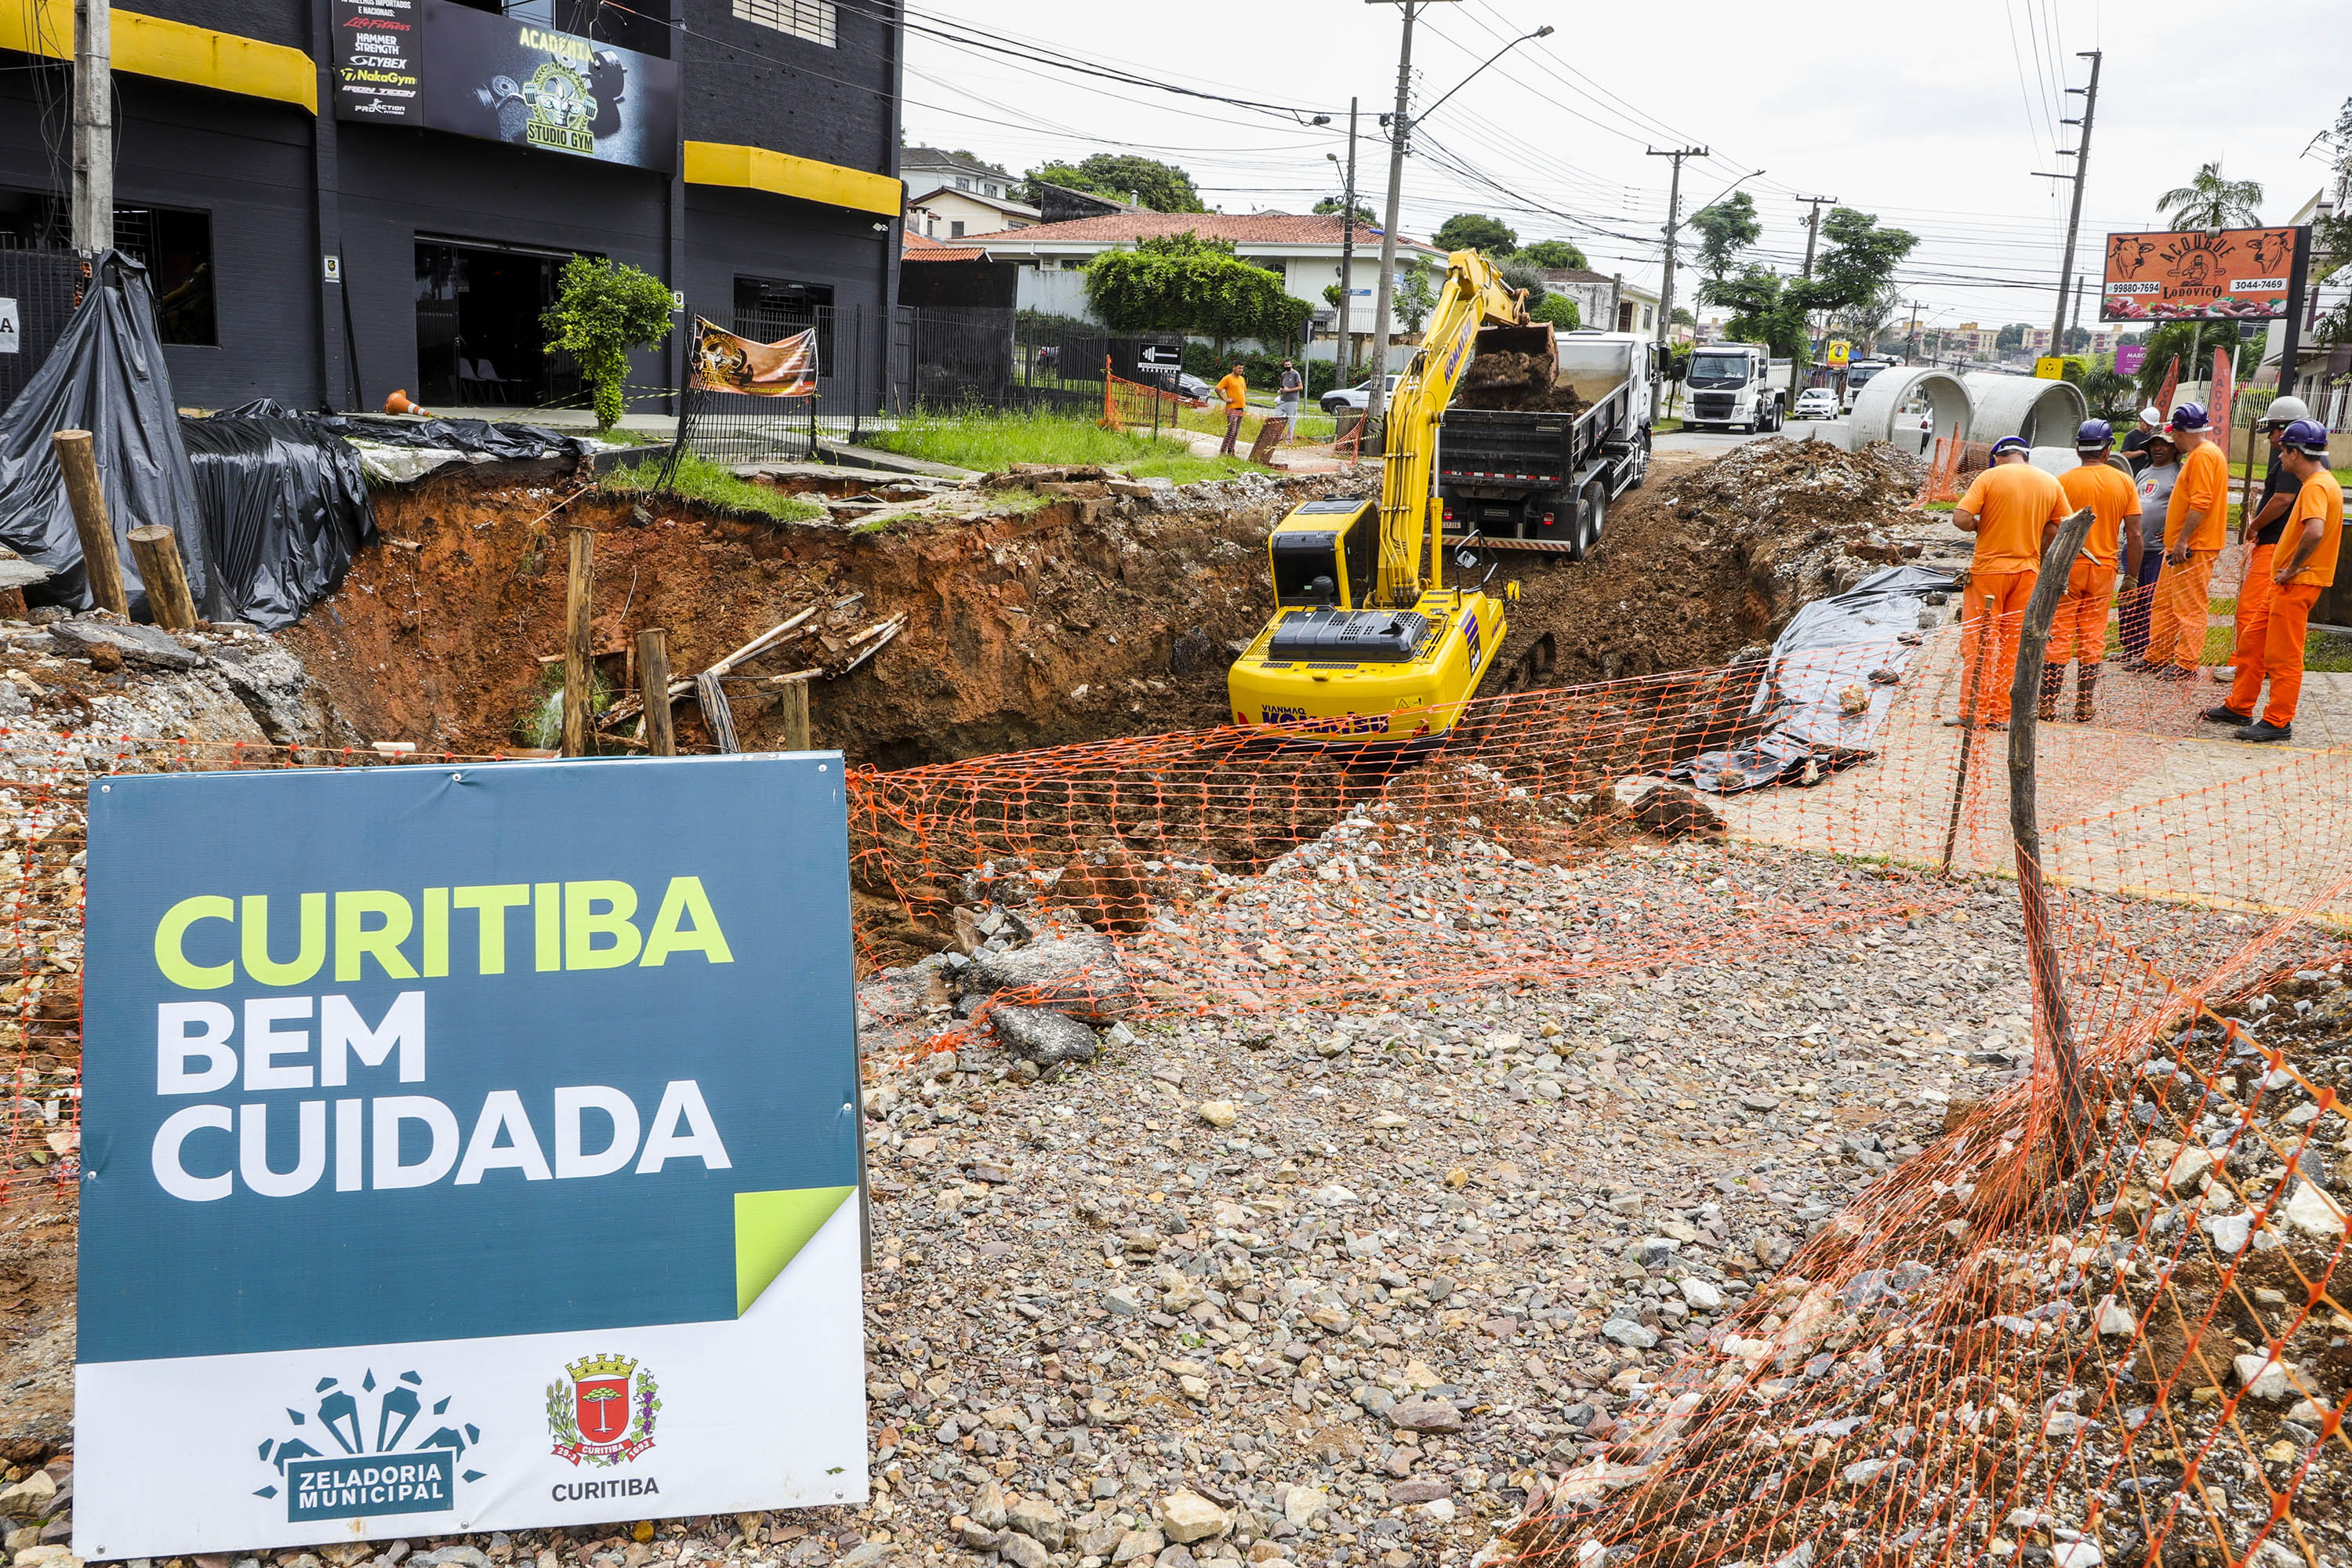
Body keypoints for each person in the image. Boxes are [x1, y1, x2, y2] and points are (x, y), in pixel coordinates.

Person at [2209, 419, 2343, 742]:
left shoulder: (2315, 486)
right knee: (2252, 643)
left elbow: (2314, 531)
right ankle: (2240, 705)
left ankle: (2279, 720)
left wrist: (2294, 567)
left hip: (2297, 584)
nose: (2280, 457)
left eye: (2283, 451)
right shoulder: (2321, 483)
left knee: (2283, 655)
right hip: (2284, 584)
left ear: (2295, 453)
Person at [1949, 434, 2068, 728]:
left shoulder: (1990, 477)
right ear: (2025, 456)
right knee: (2013, 646)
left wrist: (1982, 525)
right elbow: (2063, 524)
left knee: (1980, 643)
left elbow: (1961, 518)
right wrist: (2038, 540)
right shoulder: (2049, 482)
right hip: (2027, 572)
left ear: (1998, 458)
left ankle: (1973, 711)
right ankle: (2002, 715)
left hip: (1989, 572)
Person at [2210, 397, 2311, 696]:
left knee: (2251, 609)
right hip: (2279, 543)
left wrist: (2255, 526)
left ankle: (2248, 664)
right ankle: (2254, 665)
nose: (2270, 438)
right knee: (2261, 611)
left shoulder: (2293, 460)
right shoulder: (2299, 460)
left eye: (2273, 431)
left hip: (2275, 544)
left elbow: (2282, 499)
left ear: (2286, 429)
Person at [2044, 420, 2142, 723]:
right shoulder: (2124, 482)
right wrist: (2132, 577)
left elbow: (2049, 529)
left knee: (2059, 633)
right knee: (2093, 636)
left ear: (2078, 449)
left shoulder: (2062, 482)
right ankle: (2084, 705)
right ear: (2108, 448)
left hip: (2066, 568)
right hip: (2104, 569)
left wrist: (2043, 564)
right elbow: (2135, 534)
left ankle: (2047, 705)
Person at [2134, 403, 2229, 680]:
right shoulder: (2203, 455)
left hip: (2194, 547)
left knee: (2189, 607)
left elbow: (2201, 503)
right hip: (2181, 546)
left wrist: (2182, 541)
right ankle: (2157, 655)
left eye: (2173, 433)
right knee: (2163, 603)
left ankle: (2187, 663)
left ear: (2179, 432)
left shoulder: (2203, 456)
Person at [2118, 433, 2178, 659]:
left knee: (2150, 599)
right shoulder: (2143, 473)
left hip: (2158, 549)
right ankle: (2128, 646)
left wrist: (2175, 530)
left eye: (2163, 444)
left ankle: (2146, 647)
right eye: (2154, 444)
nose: (2158, 448)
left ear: (2173, 448)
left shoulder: (2178, 474)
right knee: (2128, 595)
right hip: (2134, 546)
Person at [1215, 363, 1248, 457]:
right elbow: (1217, 389)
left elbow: (1244, 391)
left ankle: (1231, 451)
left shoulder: (1242, 379)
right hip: (1232, 409)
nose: (1241, 370)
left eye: (1242, 368)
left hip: (1241, 408)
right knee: (1231, 431)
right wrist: (1226, 399)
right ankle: (1223, 450)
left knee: (1236, 431)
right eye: (1239, 368)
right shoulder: (1228, 378)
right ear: (1234, 368)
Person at [2121, 405, 2165, 474]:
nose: (2150, 427)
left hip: (2147, 473)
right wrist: (2142, 452)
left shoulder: (2152, 436)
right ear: (2141, 421)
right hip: (2132, 473)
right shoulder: (2131, 436)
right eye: (2148, 425)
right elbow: (2124, 455)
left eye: (2152, 426)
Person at [1275, 359, 1303, 428]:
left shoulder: (1296, 374)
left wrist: (1289, 390)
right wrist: (1280, 390)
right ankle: (1278, 435)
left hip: (1292, 401)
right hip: (1283, 400)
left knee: (1291, 421)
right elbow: (1282, 386)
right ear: (1284, 366)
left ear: (1291, 365)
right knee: (1276, 417)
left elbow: (1301, 387)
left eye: (1289, 365)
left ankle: (1289, 438)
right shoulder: (1284, 374)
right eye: (1286, 365)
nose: (1287, 366)